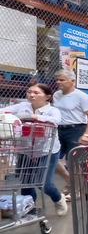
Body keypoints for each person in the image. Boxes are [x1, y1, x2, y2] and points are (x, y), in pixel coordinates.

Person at [0, 83, 68, 216]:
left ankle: (58, 199)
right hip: (26, 149)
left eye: (36, 93)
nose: (31, 95)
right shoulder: (22, 106)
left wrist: (34, 117)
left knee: (44, 183)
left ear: (47, 96)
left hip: (46, 150)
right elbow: (4, 111)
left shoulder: (52, 110)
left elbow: (56, 120)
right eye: (29, 92)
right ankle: (29, 208)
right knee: (26, 183)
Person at [52, 69, 88, 201]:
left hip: (76, 130)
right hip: (59, 130)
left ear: (72, 81)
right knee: (52, 159)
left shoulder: (81, 96)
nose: (58, 82)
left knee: (74, 163)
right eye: (57, 80)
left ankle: (77, 191)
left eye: (62, 80)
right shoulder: (56, 95)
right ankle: (70, 183)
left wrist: (86, 134)